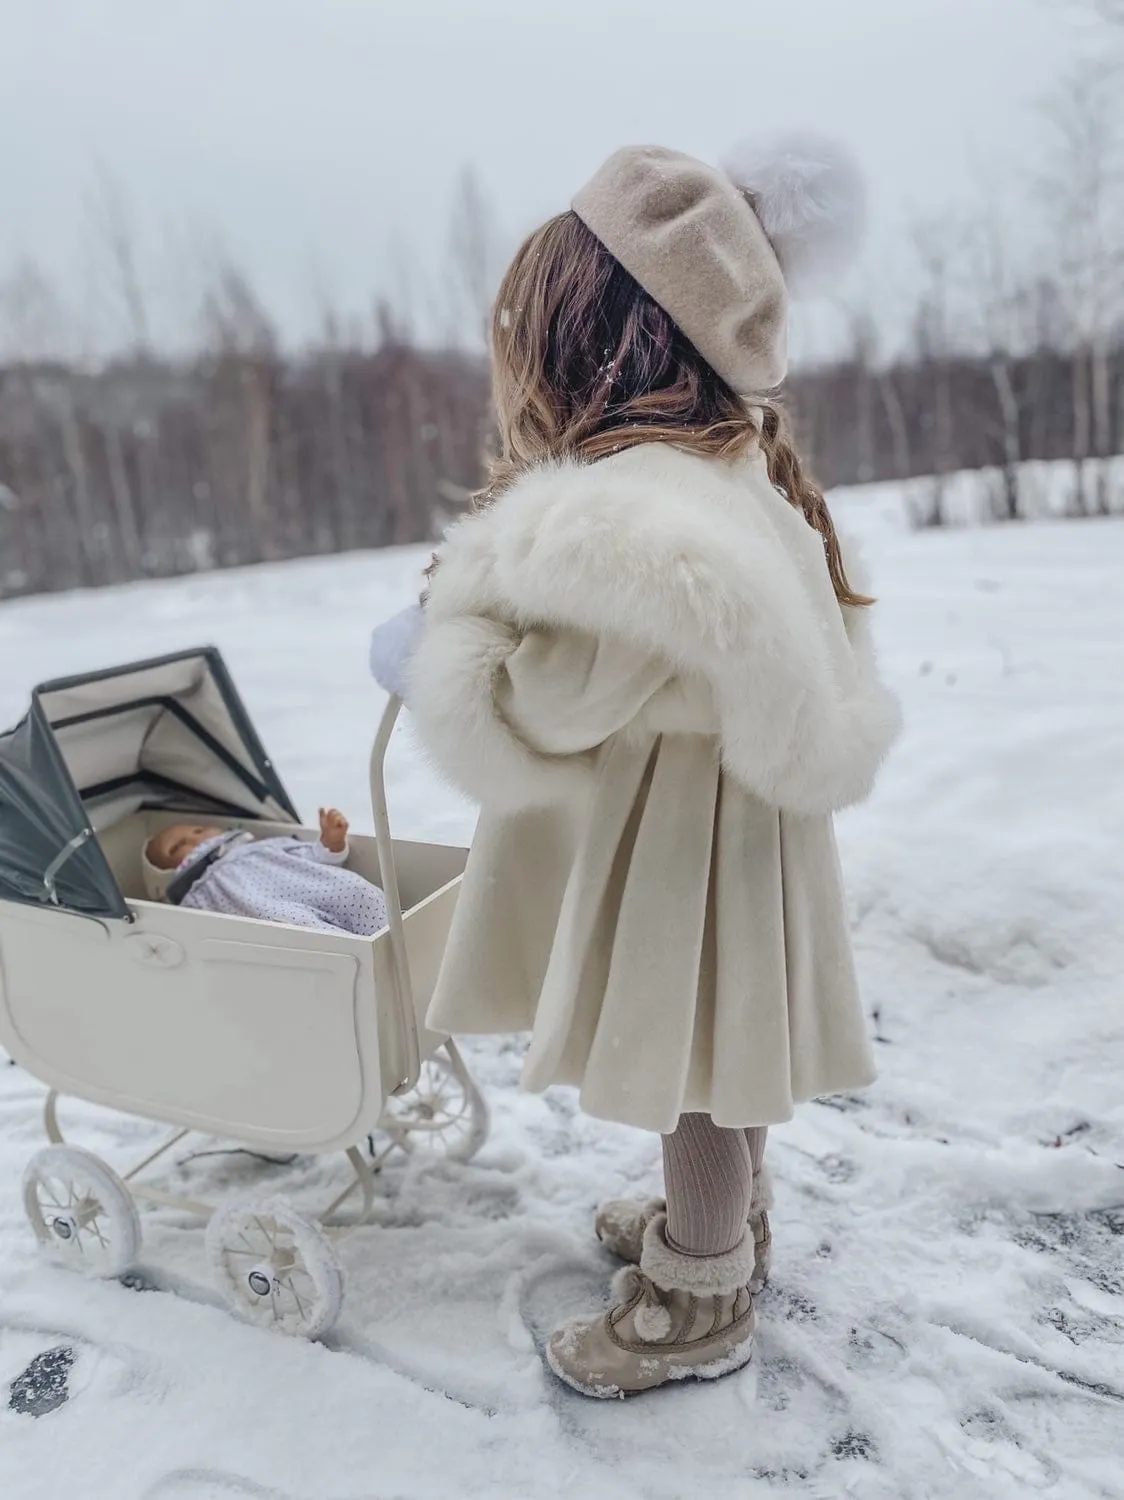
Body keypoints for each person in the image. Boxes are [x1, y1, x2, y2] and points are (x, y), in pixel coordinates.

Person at [370, 138, 900, 1397]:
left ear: (588, 335)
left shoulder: (628, 513)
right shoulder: (741, 470)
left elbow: (553, 699)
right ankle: (733, 1222)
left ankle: (695, 1294)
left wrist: (435, 658)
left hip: (683, 844)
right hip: (739, 823)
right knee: (723, 1049)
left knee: (697, 1073)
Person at [142, 807, 388, 936]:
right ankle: (364, 957)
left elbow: (313, 857)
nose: (192, 841)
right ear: (171, 871)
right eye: (176, 848)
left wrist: (330, 841)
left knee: (357, 891)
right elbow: (200, 931)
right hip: (277, 912)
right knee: (294, 925)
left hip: (314, 884)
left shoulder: (260, 846)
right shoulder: (200, 892)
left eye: (197, 830)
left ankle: (397, 936)